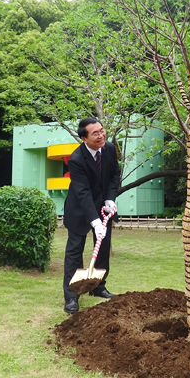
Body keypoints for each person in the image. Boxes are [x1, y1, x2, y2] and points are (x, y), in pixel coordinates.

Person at [63, 117, 121, 314]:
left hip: (103, 207)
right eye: (95, 133)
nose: (101, 135)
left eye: (102, 130)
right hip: (80, 208)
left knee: (103, 249)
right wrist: (95, 222)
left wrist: (110, 199)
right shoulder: (76, 159)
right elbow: (82, 192)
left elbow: (114, 175)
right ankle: (72, 296)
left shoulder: (110, 149)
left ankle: (98, 286)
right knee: (74, 251)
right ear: (84, 138)